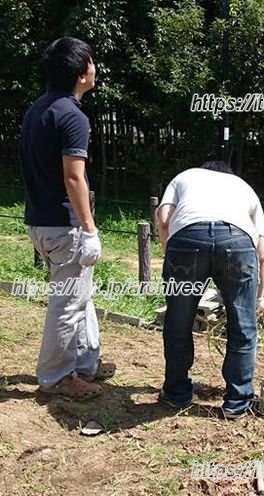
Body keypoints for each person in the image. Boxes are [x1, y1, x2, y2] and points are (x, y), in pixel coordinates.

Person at [20, 37, 115, 400]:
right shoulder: (73, 116)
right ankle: (57, 376)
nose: (95, 67)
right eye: (91, 61)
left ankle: (86, 363)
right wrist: (89, 229)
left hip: (40, 221)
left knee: (79, 295)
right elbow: (74, 177)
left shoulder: (38, 109)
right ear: (80, 74)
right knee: (67, 303)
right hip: (66, 226)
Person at [156, 160, 264, 419]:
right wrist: (259, 298)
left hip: (187, 240)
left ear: (204, 169)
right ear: (228, 174)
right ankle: (237, 402)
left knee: (178, 321)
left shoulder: (184, 177)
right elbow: (262, 256)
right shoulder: (244, 187)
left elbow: (164, 220)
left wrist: (171, 255)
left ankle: (176, 393)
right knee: (243, 326)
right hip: (237, 242)